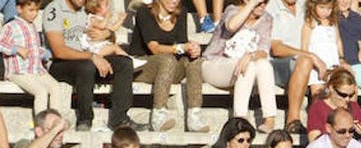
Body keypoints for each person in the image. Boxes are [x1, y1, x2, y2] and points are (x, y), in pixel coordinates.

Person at [43, 0, 140, 131]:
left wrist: (108, 34)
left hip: (89, 57)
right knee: (86, 67)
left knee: (124, 63)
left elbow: (106, 34)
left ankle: (120, 119)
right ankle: (84, 119)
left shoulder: (86, 9)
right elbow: (59, 51)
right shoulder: (55, 9)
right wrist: (92, 56)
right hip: (61, 63)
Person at [130, 0, 208, 132]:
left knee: (194, 60)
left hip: (169, 67)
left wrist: (192, 48)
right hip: (143, 64)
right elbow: (154, 48)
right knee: (167, 59)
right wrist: (180, 47)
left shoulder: (181, 12)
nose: (174, 1)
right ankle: (159, 115)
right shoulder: (144, 12)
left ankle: (194, 115)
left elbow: (182, 43)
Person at [202, 0, 280, 133]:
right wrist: (251, 5)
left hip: (244, 69)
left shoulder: (266, 18)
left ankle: (270, 118)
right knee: (248, 66)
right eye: (258, 2)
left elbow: (263, 50)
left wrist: (250, 55)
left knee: (264, 65)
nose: (262, 5)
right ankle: (240, 120)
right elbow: (231, 26)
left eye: (265, 2)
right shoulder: (232, 11)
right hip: (215, 64)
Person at [0, 0, 73, 120]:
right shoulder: (11, 26)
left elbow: (34, 49)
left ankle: (55, 121)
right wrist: (16, 49)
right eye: (31, 10)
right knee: (40, 92)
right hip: (19, 72)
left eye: (36, 10)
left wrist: (48, 54)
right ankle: (41, 124)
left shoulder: (32, 27)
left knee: (56, 88)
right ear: (19, 9)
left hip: (36, 70)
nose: (34, 14)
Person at [267, 0, 326, 134]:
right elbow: (276, 49)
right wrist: (310, 56)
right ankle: (293, 119)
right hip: (279, 62)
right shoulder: (272, 7)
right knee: (306, 61)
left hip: (307, 58)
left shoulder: (304, 5)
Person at [307, 68, 361, 142]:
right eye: (343, 95)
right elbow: (313, 141)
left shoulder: (354, 107)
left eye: (351, 95)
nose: (347, 99)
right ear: (331, 88)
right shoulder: (318, 108)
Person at [301, 0, 342, 94]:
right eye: (322, 8)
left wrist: (341, 58)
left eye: (329, 8)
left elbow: (338, 41)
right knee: (318, 93)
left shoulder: (333, 23)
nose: (325, 12)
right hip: (316, 67)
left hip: (333, 63)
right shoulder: (310, 22)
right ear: (313, 6)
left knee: (334, 92)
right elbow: (304, 46)